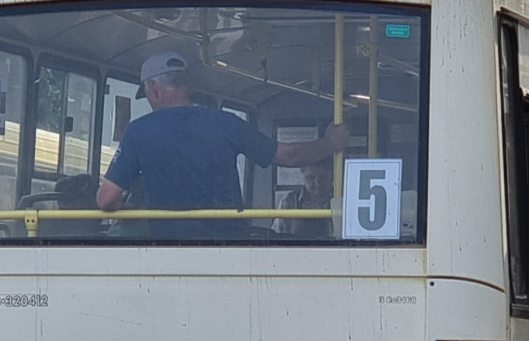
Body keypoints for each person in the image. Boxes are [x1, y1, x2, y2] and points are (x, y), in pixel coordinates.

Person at [96, 51, 350, 239]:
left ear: (153, 89)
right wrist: (330, 143)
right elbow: (289, 155)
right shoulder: (227, 123)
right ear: (189, 86)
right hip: (230, 244)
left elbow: (106, 199)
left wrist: (130, 210)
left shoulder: (139, 131)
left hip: (171, 247)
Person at [272, 158, 334, 238]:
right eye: (311, 177)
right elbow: (276, 236)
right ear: (302, 174)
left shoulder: (342, 201)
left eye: (323, 177)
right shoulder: (288, 202)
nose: (318, 183)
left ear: (332, 175)